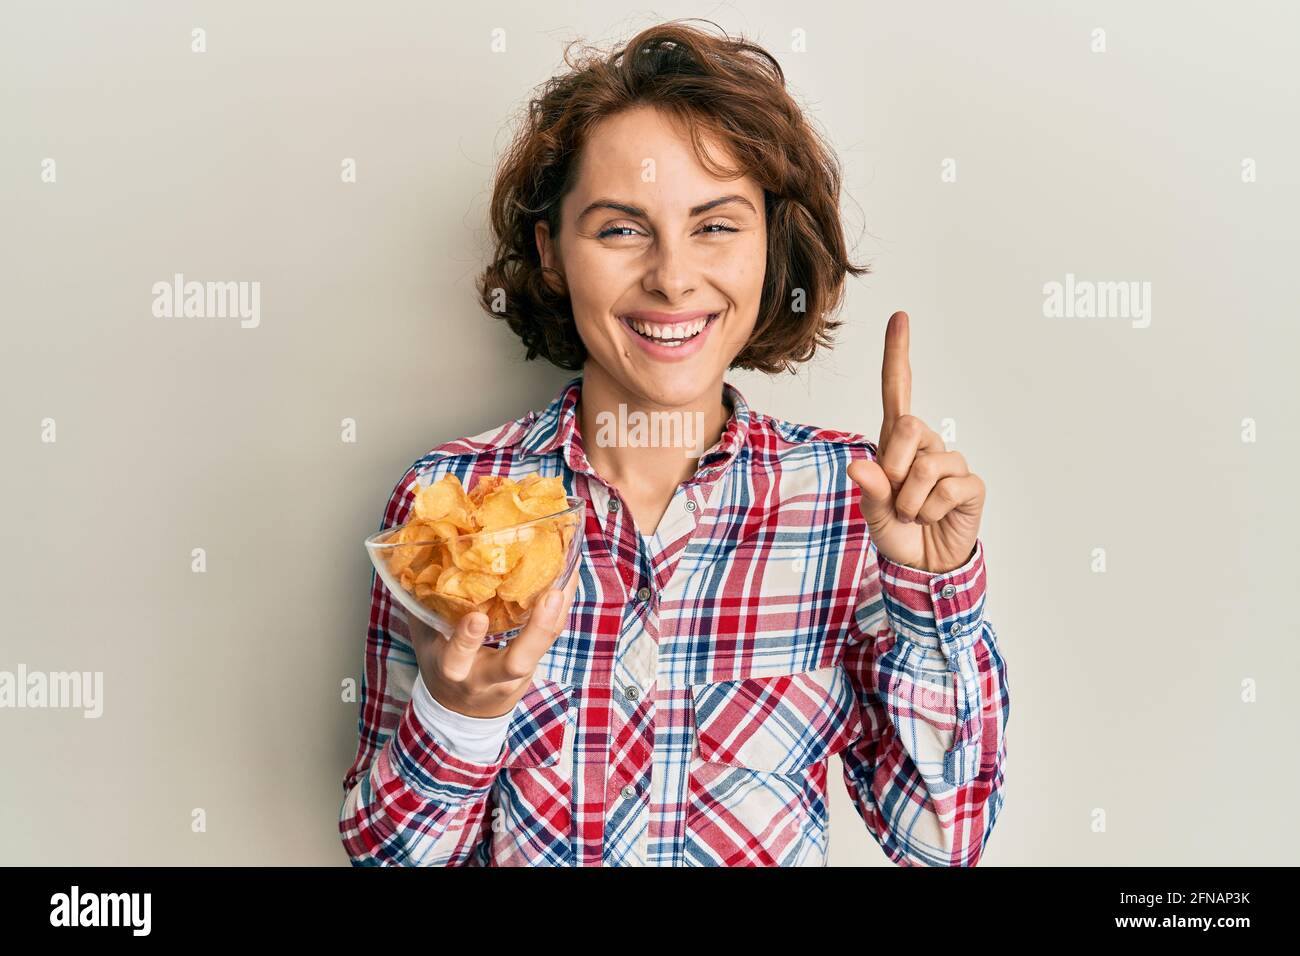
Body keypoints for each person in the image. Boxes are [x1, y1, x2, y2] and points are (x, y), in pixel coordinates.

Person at [340, 20, 1009, 867]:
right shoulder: (450, 507)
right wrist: (457, 712)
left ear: (772, 248)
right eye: (621, 229)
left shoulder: (855, 502)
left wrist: (934, 591)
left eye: (716, 226)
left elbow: (944, 842)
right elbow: (389, 860)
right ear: (551, 254)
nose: (672, 276)